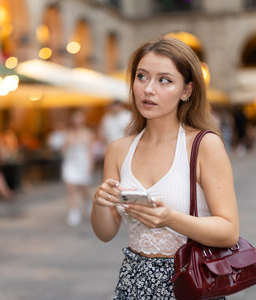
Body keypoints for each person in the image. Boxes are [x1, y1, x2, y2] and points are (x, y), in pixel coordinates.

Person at [90, 37, 239, 299]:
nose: (148, 89)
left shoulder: (204, 145)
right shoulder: (118, 149)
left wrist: (171, 219)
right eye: (142, 76)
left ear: (186, 91)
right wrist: (100, 202)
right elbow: (105, 233)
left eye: (164, 80)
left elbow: (229, 232)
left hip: (189, 280)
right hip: (133, 283)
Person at [61, 109, 95, 227]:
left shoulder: (88, 133)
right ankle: (73, 212)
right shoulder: (68, 133)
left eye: (80, 117)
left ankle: (88, 202)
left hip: (83, 162)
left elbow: (90, 151)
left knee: (83, 188)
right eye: (76, 118)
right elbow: (63, 150)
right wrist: (67, 143)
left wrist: (90, 165)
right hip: (70, 162)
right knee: (70, 187)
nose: (78, 120)